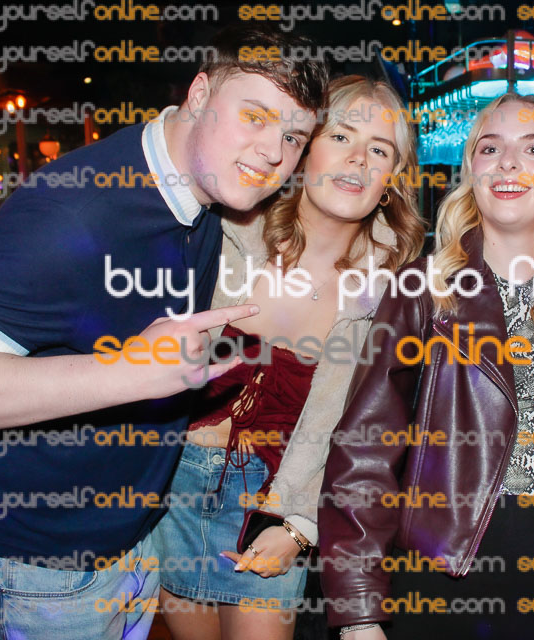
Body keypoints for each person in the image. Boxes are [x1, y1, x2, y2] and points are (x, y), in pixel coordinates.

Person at [0, 27, 328, 640]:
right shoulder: (74, 212)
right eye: (255, 116)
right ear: (199, 94)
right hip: (36, 564)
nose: (273, 152)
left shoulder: (206, 200)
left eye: (293, 137)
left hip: (130, 543)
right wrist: (126, 372)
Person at [319, 93, 534, 639]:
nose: (508, 163)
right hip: (444, 563)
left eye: (533, 148)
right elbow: (365, 451)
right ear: (472, 171)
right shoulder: (423, 288)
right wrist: (359, 613)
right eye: (490, 148)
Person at [155, 75, 426, 640]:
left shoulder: (395, 293)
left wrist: (300, 527)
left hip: (271, 511)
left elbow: (372, 437)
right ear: (303, 149)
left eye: (379, 150)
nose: (358, 160)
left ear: (392, 178)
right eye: (341, 136)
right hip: (170, 490)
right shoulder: (224, 229)